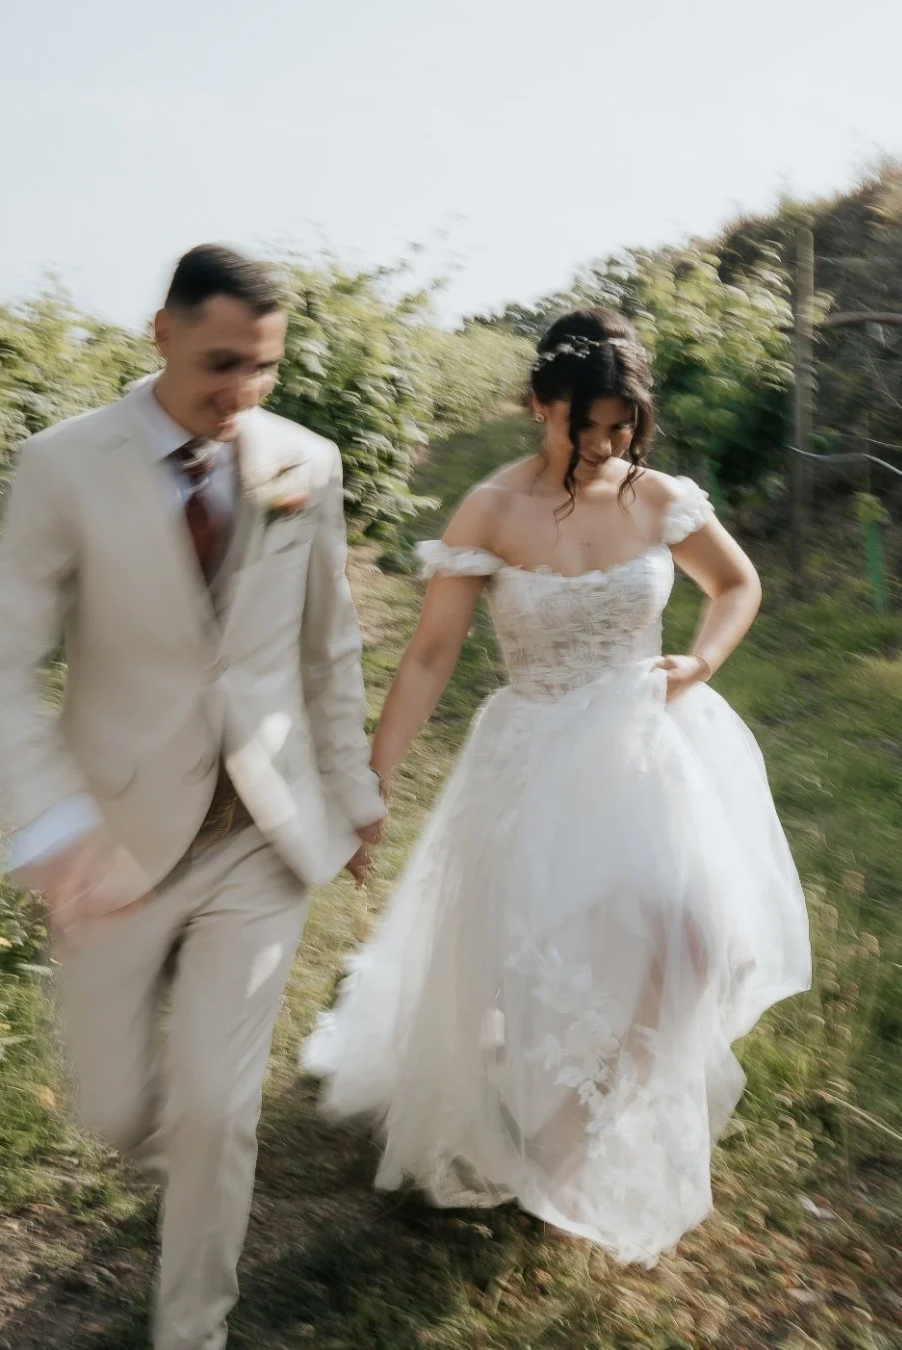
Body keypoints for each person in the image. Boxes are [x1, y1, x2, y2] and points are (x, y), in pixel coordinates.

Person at [302, 307, 811, 1265]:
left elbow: (737, 586)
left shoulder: (656, 496)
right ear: (537, 404)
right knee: (537, 957)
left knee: (693, 934)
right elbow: (429, 659)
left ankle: (597, 1115)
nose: (607, 448)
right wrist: (371, 787)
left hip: (647, 746)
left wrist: (699, 664)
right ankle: (550, 1129)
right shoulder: (489, 510)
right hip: (534, 752)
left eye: (624, 429)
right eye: (587, 428)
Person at [0, 244, 385, 1348]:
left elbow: (328, 648)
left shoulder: (307, 461)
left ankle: (191, 1327)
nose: (240, 393)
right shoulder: (63, 465)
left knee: (216, 1106)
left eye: (262, 369)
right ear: (160, 333)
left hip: (261, 831)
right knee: (116, 1111)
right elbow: (4, 664)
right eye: (218, 364)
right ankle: (194, 1171)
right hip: (110, 841)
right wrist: (55, 825)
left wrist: (353, 792)